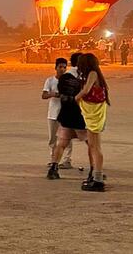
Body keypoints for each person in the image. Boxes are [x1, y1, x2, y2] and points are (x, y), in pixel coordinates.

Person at [47, 52, 90, 180]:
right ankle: (95, 171)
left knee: (61, 143)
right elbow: (84, 94)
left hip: (65, 114)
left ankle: (53, 169)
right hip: (79, 115)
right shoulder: (82, 78)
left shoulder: (64, 77)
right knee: (91, 143)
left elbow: (62, 94)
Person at [76, 53, 110, 192]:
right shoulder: (96, 74)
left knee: (95, 147)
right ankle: (97, 176)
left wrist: (76, 98)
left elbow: (86, 90)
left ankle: (98, 179)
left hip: (94, 114)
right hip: (94, 113)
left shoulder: (92, 73)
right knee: (93, 145)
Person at [42, 58, 73, 169]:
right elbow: (44, 95)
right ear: (55, 68)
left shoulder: (69, 81)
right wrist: (53, 94)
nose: (62, 69)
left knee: (66, 138)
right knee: (53, 139)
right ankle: (53, 159)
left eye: (64, 67)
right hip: (53, 113)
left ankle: (67, 160)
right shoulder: (50, 81)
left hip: (65, 114)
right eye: (60, 67)